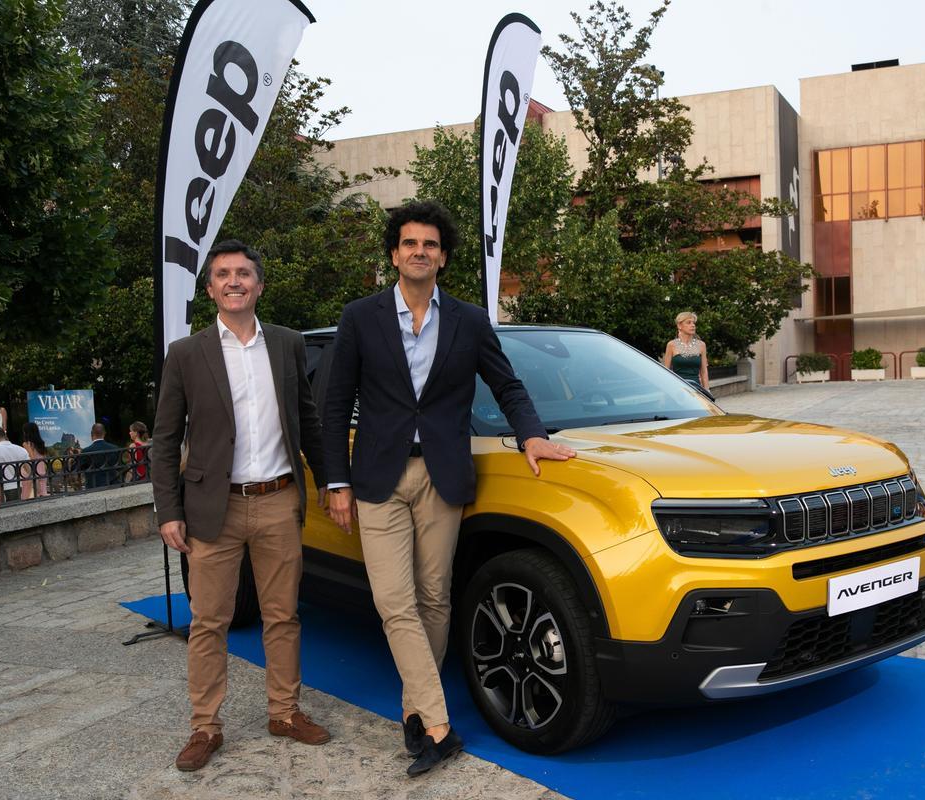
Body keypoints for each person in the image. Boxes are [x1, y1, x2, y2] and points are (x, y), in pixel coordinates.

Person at [322, 200, 575, 777]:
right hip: (378, 478)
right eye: (410, 243)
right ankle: (438, 725)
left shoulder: (467, 319)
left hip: (444, 474)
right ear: (394, 253)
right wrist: (336, 479)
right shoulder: (360, 317)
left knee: (435, 598)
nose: (419, 251)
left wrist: (532, 436)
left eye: (430, 244)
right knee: (394, 601)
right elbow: (335, 404)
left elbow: (506, 385)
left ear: (442, 257)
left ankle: (415, 708)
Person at [152, 239, 330, 773]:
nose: (234, 281)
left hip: (278, 500)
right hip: (212, 507)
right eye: (223, 274)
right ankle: (205, 727)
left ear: (259, 284)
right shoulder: (186, 354)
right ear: (210, 288)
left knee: (283, 616)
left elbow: (308, 420)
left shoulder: (287, 344)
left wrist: (332, 485)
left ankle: (285, 712)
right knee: (209, 621)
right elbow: (164, 440)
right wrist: (168, 510)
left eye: (244, 273)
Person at [662, 311, 709, 389]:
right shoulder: (671, 345)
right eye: (689, 323)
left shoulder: (702, 345)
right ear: (679, 326)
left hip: (696, 389)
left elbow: (704, 372)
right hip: (677, 388)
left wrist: (707, 391)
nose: (693, 325)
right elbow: (666, 371)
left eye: (694, 323)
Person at [0, 427, 29, 504]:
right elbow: (30, 470)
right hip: (18, 486)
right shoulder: (20, 449)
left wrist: (0, 494)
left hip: (3, 488)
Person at [79, 423, 119, 489]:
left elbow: (79, 468)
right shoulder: (114, 448)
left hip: (93, 486)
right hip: (113, 484)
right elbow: (120, 466)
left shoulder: (86, 451)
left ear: (92, 434)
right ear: (104, 433)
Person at [20, 422, 49, 499]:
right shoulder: (41, 443)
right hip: (42, 470)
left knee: (25, 495)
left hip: (31, 470)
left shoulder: (26, 444)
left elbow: (31, 457)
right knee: (43, 494)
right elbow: (44, 457)